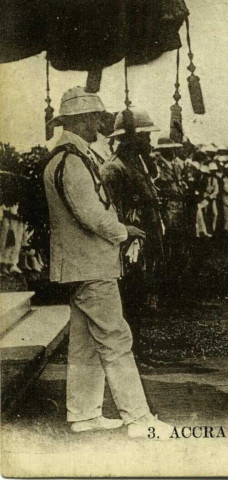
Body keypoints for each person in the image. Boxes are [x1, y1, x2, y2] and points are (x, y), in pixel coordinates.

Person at [43, 87, 170, 437]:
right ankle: (139, 419)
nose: (100, 124)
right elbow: (91, 214)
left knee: (85, 343)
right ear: (81, 120)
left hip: (82, 265)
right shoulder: (71, 160)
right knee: (115, 339)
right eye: (95, 119)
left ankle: (84, 414)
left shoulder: (69, 157)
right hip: (91, 265)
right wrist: (123, 231)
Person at [101, 108, 165, 369]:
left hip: (143, 245)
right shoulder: (113, 169)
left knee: (138, 300)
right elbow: (109, 210)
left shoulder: (137, 165)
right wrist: (127, 229)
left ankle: (138, 349)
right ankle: (130, 355)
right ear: (129, 138)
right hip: (127, 248)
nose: (149, 142)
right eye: (144, 136)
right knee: (128, 301)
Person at [152, 136, 189, 293]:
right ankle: (167, 281)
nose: (173, 152)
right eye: (169, 149)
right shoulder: (157, 165)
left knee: (179, 242)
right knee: (168, 241)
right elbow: (157, 183)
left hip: (178, 205)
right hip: (167, 207)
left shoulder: (174, 164)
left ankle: (176, 278)